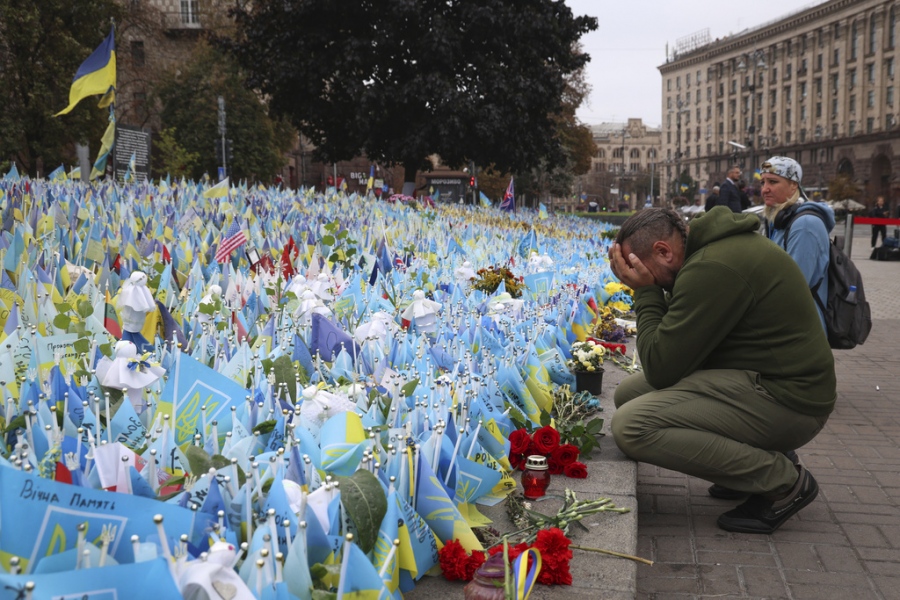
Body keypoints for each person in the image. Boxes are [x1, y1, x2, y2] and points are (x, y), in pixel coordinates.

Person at [607, 207, 835, 534]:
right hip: (771, 382)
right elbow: (675, 351)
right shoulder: (712, 252)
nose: (640, 277)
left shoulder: (712, 267)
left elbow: (660, 367)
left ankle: (782, 482)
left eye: (639, 268)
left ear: (663, 251)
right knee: (628, 394)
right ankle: (750, 464)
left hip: (791, 402)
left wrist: (645, 291)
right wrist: (652, 285)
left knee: (631, 427)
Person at [760, 156, 834, 331]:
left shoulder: (805, 225)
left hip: (801, 331)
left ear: (794, 185)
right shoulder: (779, 221)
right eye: (763, 182)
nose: (765, 189)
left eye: (773, 182)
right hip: (786, 324)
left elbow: (793, 288)